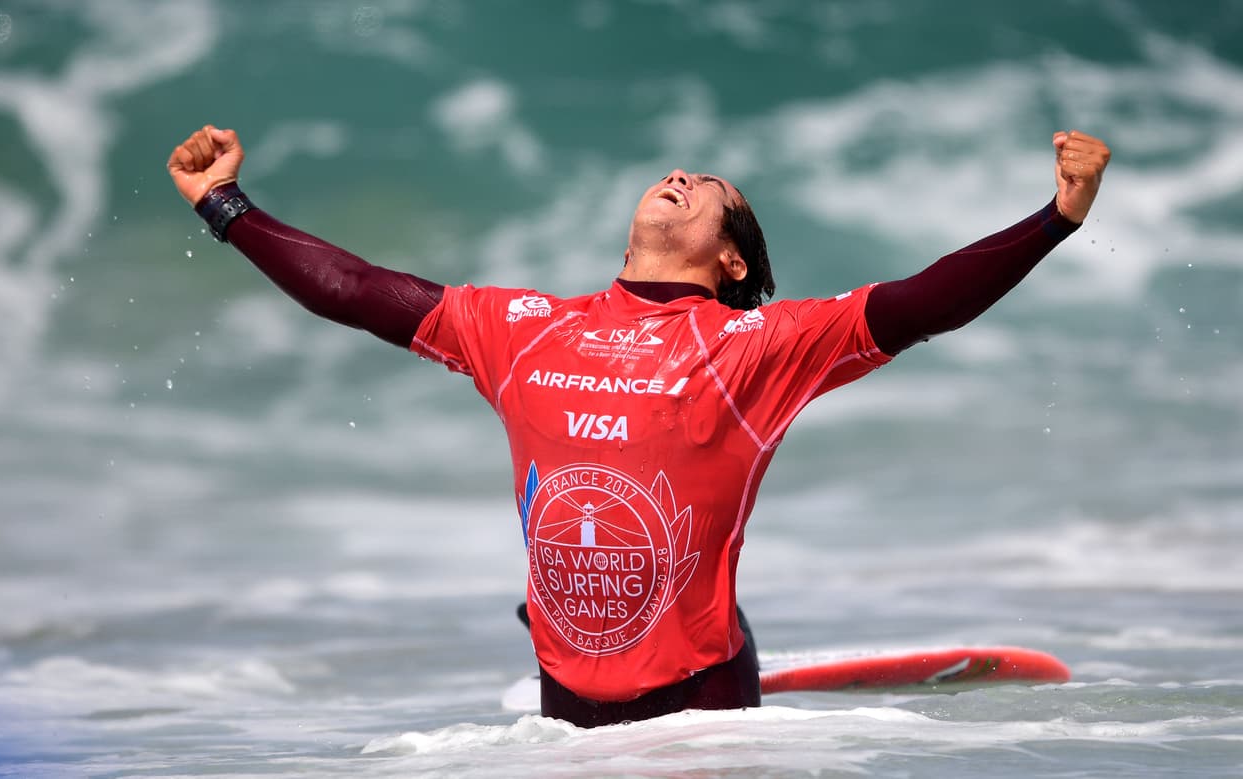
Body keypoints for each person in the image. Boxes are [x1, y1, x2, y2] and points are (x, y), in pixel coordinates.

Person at [167, 124, 1110, 727]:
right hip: (563, 702)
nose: (678, 174)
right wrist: (225, 204)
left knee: (692, 604)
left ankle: (732, 635)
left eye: (706, 184)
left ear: (734, 259)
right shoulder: (523, 329)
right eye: (673, 171)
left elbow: (917, 304)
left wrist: (1055, 219)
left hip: (697, 701)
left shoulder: (759, 346)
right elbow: (361, 292)